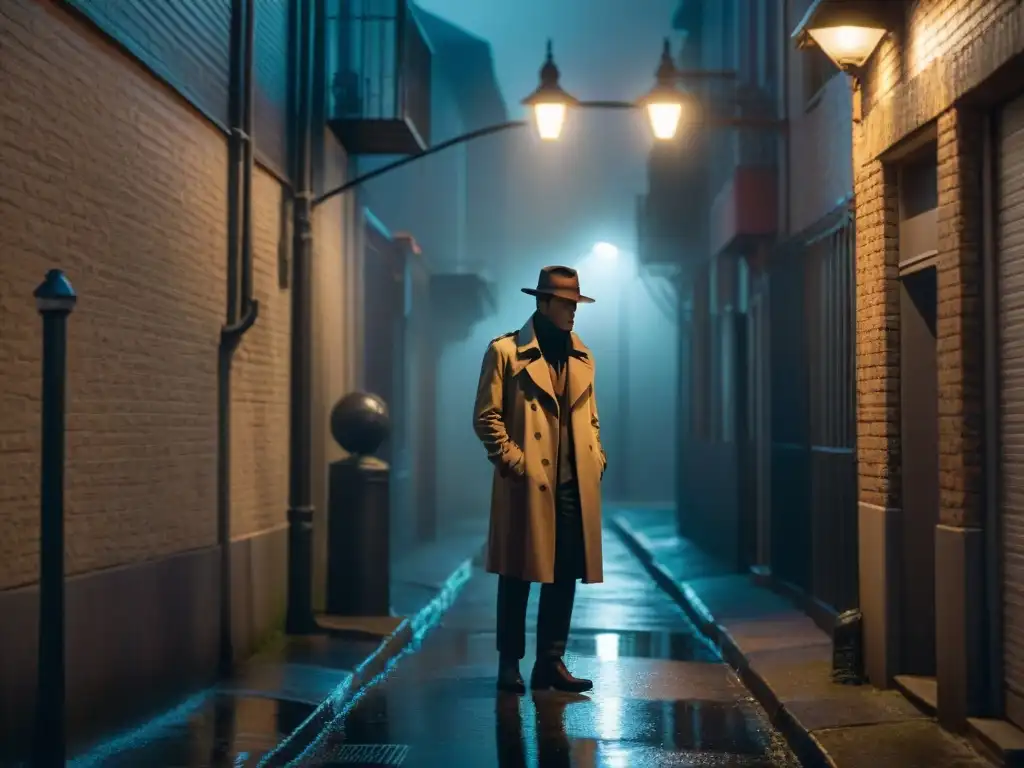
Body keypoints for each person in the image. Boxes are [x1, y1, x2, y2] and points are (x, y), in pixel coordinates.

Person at [473, 265, 607, 694]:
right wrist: (515, 461)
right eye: (565, 304)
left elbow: (592, 419)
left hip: (572, 483)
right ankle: (508, 664)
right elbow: (486, 417)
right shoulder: (506, 352)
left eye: (575, 305)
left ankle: (550, 661)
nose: (572, 313)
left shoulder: (582, 357)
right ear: (542, 303)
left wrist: (596, 458)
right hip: (527, 483)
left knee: (564, 574)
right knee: (517, 576)